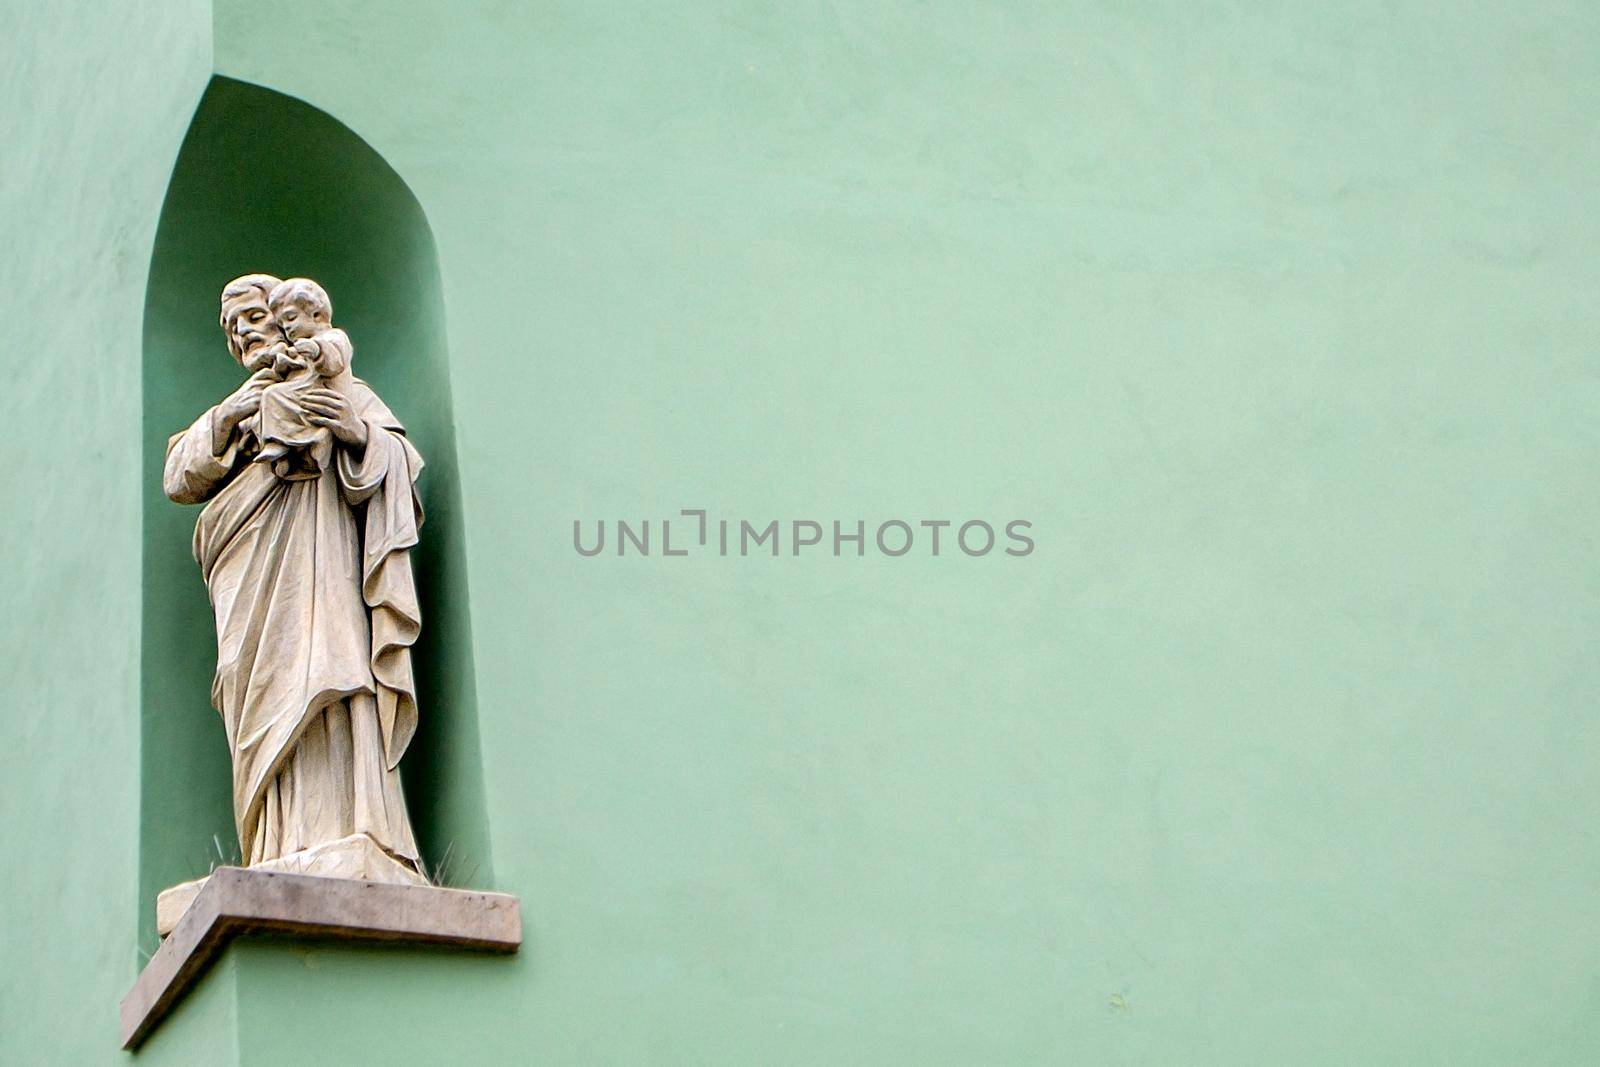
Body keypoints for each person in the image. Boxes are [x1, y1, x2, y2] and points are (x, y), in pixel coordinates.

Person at [163, 273, 426, 878]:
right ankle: (273, 843)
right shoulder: (235, 412)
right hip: (248, 577)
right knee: (253, 689)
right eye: (233, 329)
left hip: (320, 557)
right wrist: (237, 410)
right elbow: (179, 476)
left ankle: (347, 822)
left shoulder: (336, 383)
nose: (244, 334)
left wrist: (351, 431)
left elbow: (398, 462)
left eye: (251, 319)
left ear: (283, 318)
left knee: (331, 666)